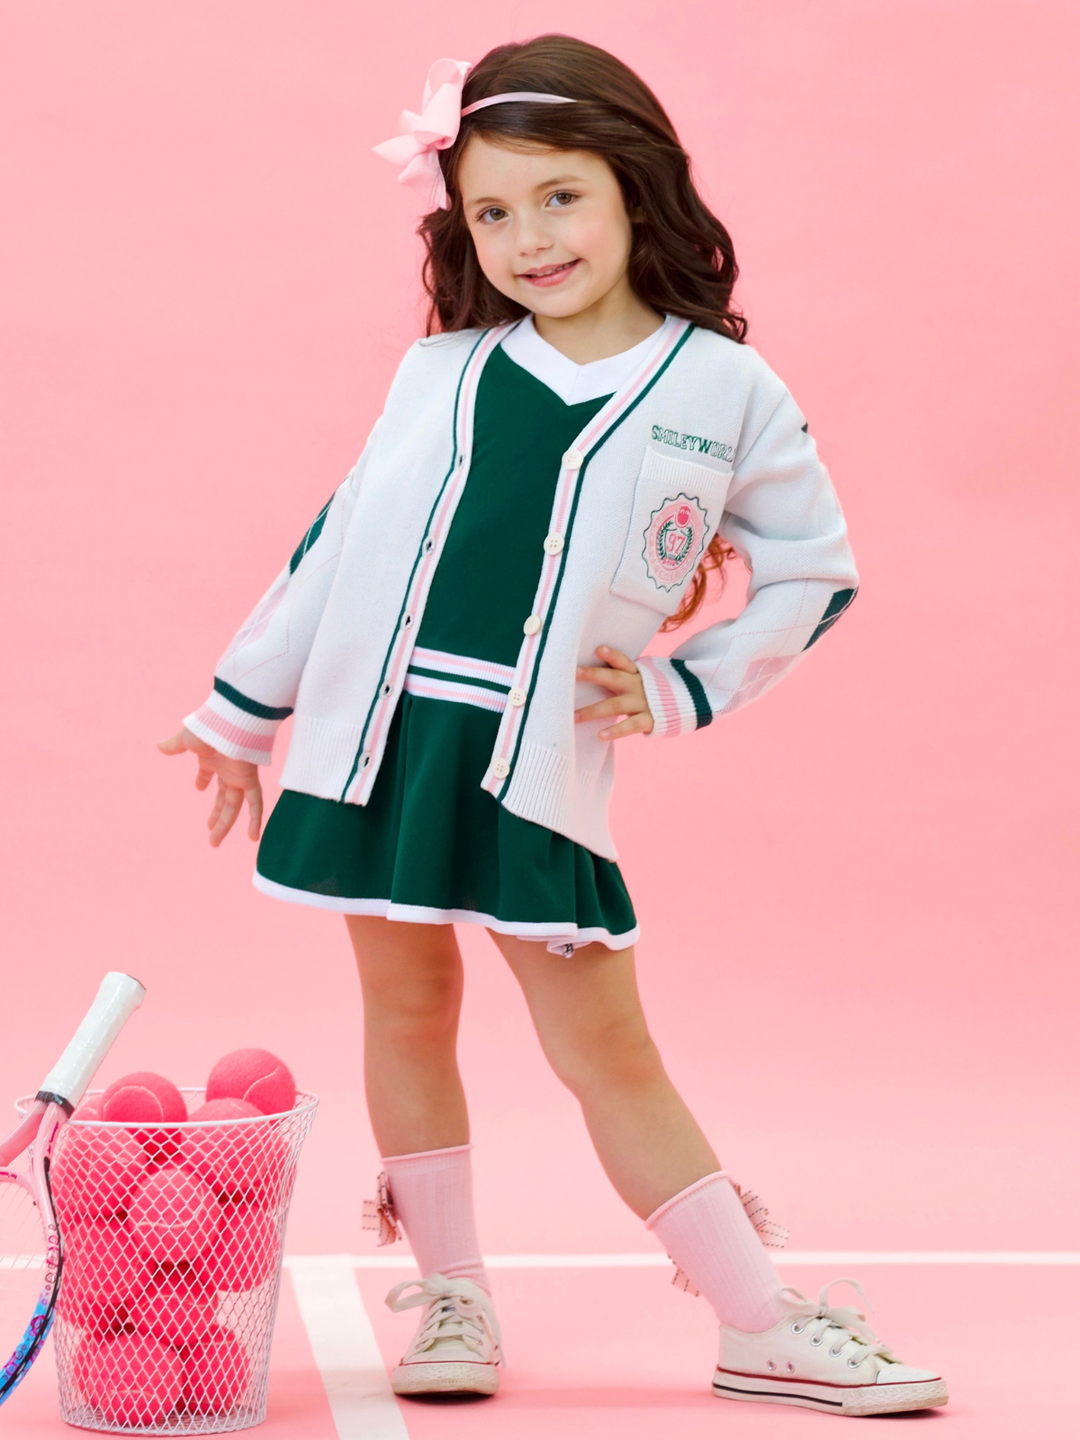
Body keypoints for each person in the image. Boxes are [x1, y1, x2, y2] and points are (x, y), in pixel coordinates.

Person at [160, 35, 946, 1417]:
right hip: (383, 744)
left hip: (534, 769)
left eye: (560, 196)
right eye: (492, 211)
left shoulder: (726, 391)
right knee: (407, 1011)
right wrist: (239, 711)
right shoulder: (442, 372)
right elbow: (336, 546)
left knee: (606, 1047)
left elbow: (814, 574)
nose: (530, 238)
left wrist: (686, 685)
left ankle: (759, 1321)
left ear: (636, 186)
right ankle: (453, 1301)